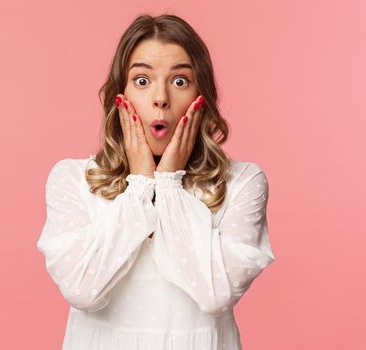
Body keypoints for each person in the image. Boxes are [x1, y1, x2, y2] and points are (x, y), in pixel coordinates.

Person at [36, 14, 276, 350]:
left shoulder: (242, 182)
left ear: (201, 95)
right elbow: (82, 290)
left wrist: (168, 185)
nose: (160, 98)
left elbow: (215, 295)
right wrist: (139, 187)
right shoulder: (72, 179)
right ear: (121, 94)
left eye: (179, 81)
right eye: (142, 81)